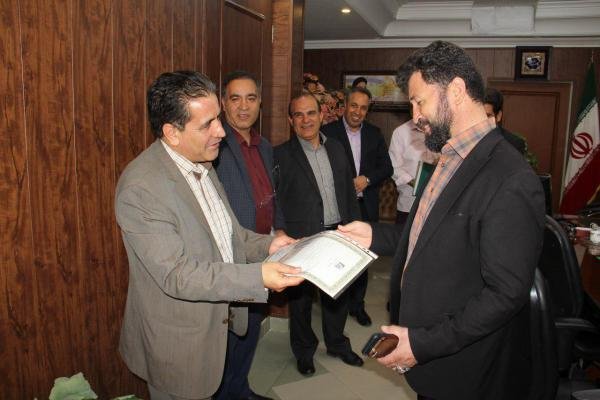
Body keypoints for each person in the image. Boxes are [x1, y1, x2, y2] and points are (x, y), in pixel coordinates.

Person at [338, 41, 545, 400]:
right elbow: (427, 233)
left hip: (464, 369)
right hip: (431, 352)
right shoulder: (449, 156)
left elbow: (504, 295)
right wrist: (373, 235)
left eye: (419, 102)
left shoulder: (510, 178)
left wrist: (422, 344)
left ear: (457, 91)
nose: (415, 115)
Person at [115, 70, 304, 400]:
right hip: (181, 342)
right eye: (207, 124)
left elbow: (230, 235)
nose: (221, 131)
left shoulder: (202, 162)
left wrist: (270, 244)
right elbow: (177, 274)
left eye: (218, 118)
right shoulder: (142, 188)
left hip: (222, 320)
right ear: (172, 133)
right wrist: (258, 276)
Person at [274, 92, 363, 376]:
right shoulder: (280, 154)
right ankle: (304, 351)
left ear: (322, 115)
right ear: (291, 120)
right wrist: (280, 232)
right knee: (300, 301)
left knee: (337, 295)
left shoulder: (336, 148)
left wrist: (355, 229)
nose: (306, 120)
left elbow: (348, 192)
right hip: (302, 238)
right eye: (298, 115)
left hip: (338, 233)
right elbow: (275, 198)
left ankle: (336, 344)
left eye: (311, 113)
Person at [213, 70, 281, 400]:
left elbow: (271, 194)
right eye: (235, 99)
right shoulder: (215, 145)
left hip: (261, 254)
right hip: (230, 259)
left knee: (251, 328)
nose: (243, 107)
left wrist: (277, 232)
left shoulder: (264, 146)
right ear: (223, 103)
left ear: (260, 103)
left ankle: (240, 390)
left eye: (251, 98)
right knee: (229, 337)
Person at [321, 86, 393, 326]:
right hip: (337, 208)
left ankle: (357, 306)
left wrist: (367, 179)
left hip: (365, 207)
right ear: (345, 106)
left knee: (362, 260)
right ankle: (335, 309)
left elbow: (387, 167)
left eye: (363, 108)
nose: (357, 112)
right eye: (354, 106)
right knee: (337, 260)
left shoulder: (374, 133)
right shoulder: (327, 132)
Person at [388, 119, 438, 226]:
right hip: (409, 205)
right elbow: (394, 167)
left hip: (435, 205)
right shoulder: (400, 132)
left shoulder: (440, 129)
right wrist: (415, 183)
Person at [484, 87, 526, 154]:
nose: (483, 120)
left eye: (488, 116)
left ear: (498, 116)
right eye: (480, 115)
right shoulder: (469, 139)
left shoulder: (514, 144)